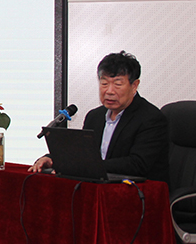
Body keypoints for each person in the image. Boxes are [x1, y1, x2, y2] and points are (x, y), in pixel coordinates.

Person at [28, 51, 170, 183]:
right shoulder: (94, 116)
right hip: (101, 189)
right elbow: (82, 153)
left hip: (138, 192)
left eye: (118, 84)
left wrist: (88, 166)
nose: (109, 91)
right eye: (104, 83)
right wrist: (52, 159)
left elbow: (138, 164)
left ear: (134, 86)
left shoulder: (151, 118)